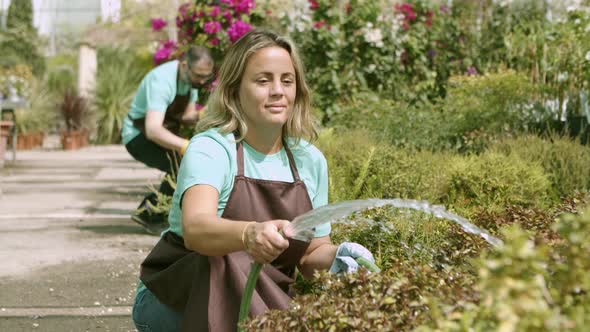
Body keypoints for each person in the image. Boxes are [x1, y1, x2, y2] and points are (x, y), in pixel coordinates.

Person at [131, 29, 375, 332]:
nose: (278, 90)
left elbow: (311, 253)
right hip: (176, 298)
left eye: (287, 80)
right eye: (263, 80)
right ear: (234, 90)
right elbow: (196, 229)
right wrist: (249, 234)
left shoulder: (309, 161)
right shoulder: (212, 149)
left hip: (259, 303)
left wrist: (336, 259)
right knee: (226, 259)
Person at [121, 46, 215, 234]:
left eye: (207, 77)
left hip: (159, 132)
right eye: (198, 76)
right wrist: (185, 146)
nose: (202, 81)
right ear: (184, 65)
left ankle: (153, 212)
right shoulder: (162, 81)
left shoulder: (191, 81)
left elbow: (187, 116)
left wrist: (203, 114)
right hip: (137, 135)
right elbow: (153, 129)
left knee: (184, 164)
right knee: (182, 164)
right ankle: (150, 213)